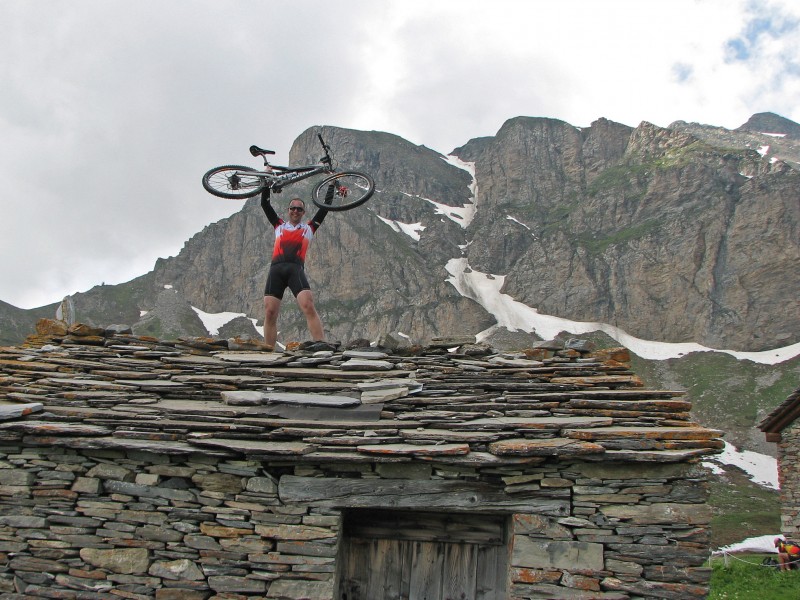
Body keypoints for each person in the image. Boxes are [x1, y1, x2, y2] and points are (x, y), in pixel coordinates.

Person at [260, 188, 333, 351]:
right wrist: (265, 185)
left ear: (303, 212)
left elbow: (326, 206)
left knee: (308, 305)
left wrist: (332, 184)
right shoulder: (278, 225)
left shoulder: (309, 228)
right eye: (292, 208)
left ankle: (321, 346)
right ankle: (267, 352)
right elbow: (265, 205)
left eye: (299, 209)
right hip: (276, 270)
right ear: (288, 210)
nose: (295, 211)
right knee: (270, 312)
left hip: (295, 270)